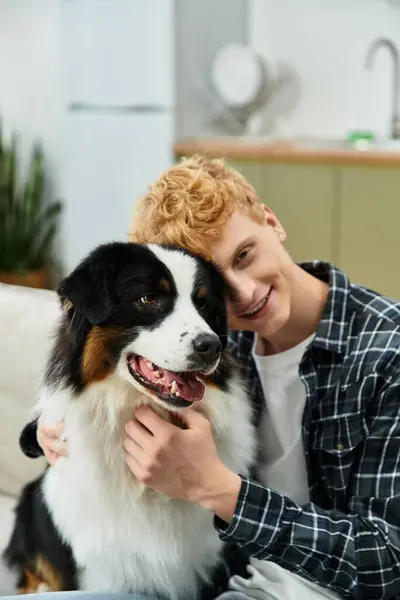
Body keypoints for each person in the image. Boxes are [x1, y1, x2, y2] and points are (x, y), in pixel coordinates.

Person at [10, 155, 400, 600]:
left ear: (271, 221)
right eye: (218, 289)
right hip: (226, 580)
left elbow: (389, 561)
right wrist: (44, 433)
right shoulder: (213, 346)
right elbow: (107, 404)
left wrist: (219, 489)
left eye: (245, 256)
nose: (246, 293)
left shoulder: (388, 355)